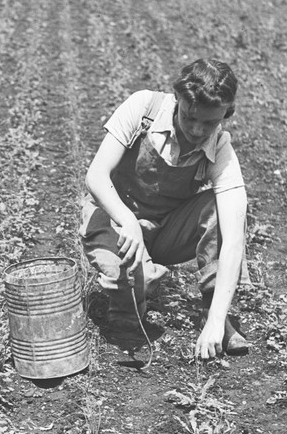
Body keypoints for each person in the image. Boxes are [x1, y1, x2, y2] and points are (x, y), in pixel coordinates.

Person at [81, 59, 251, 359]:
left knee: (224, 213)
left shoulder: (220, 148)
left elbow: (234, 240)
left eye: (210, 122)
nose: (197, 130)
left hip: (164, 232)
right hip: (113, 219)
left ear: (226, 113)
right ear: (177, 100)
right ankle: (131, 299)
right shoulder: (144, 108)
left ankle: (215, 314)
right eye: (188, 117)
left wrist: (213, 321)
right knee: (130, 292)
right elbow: (95, 175)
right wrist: (128, 220)